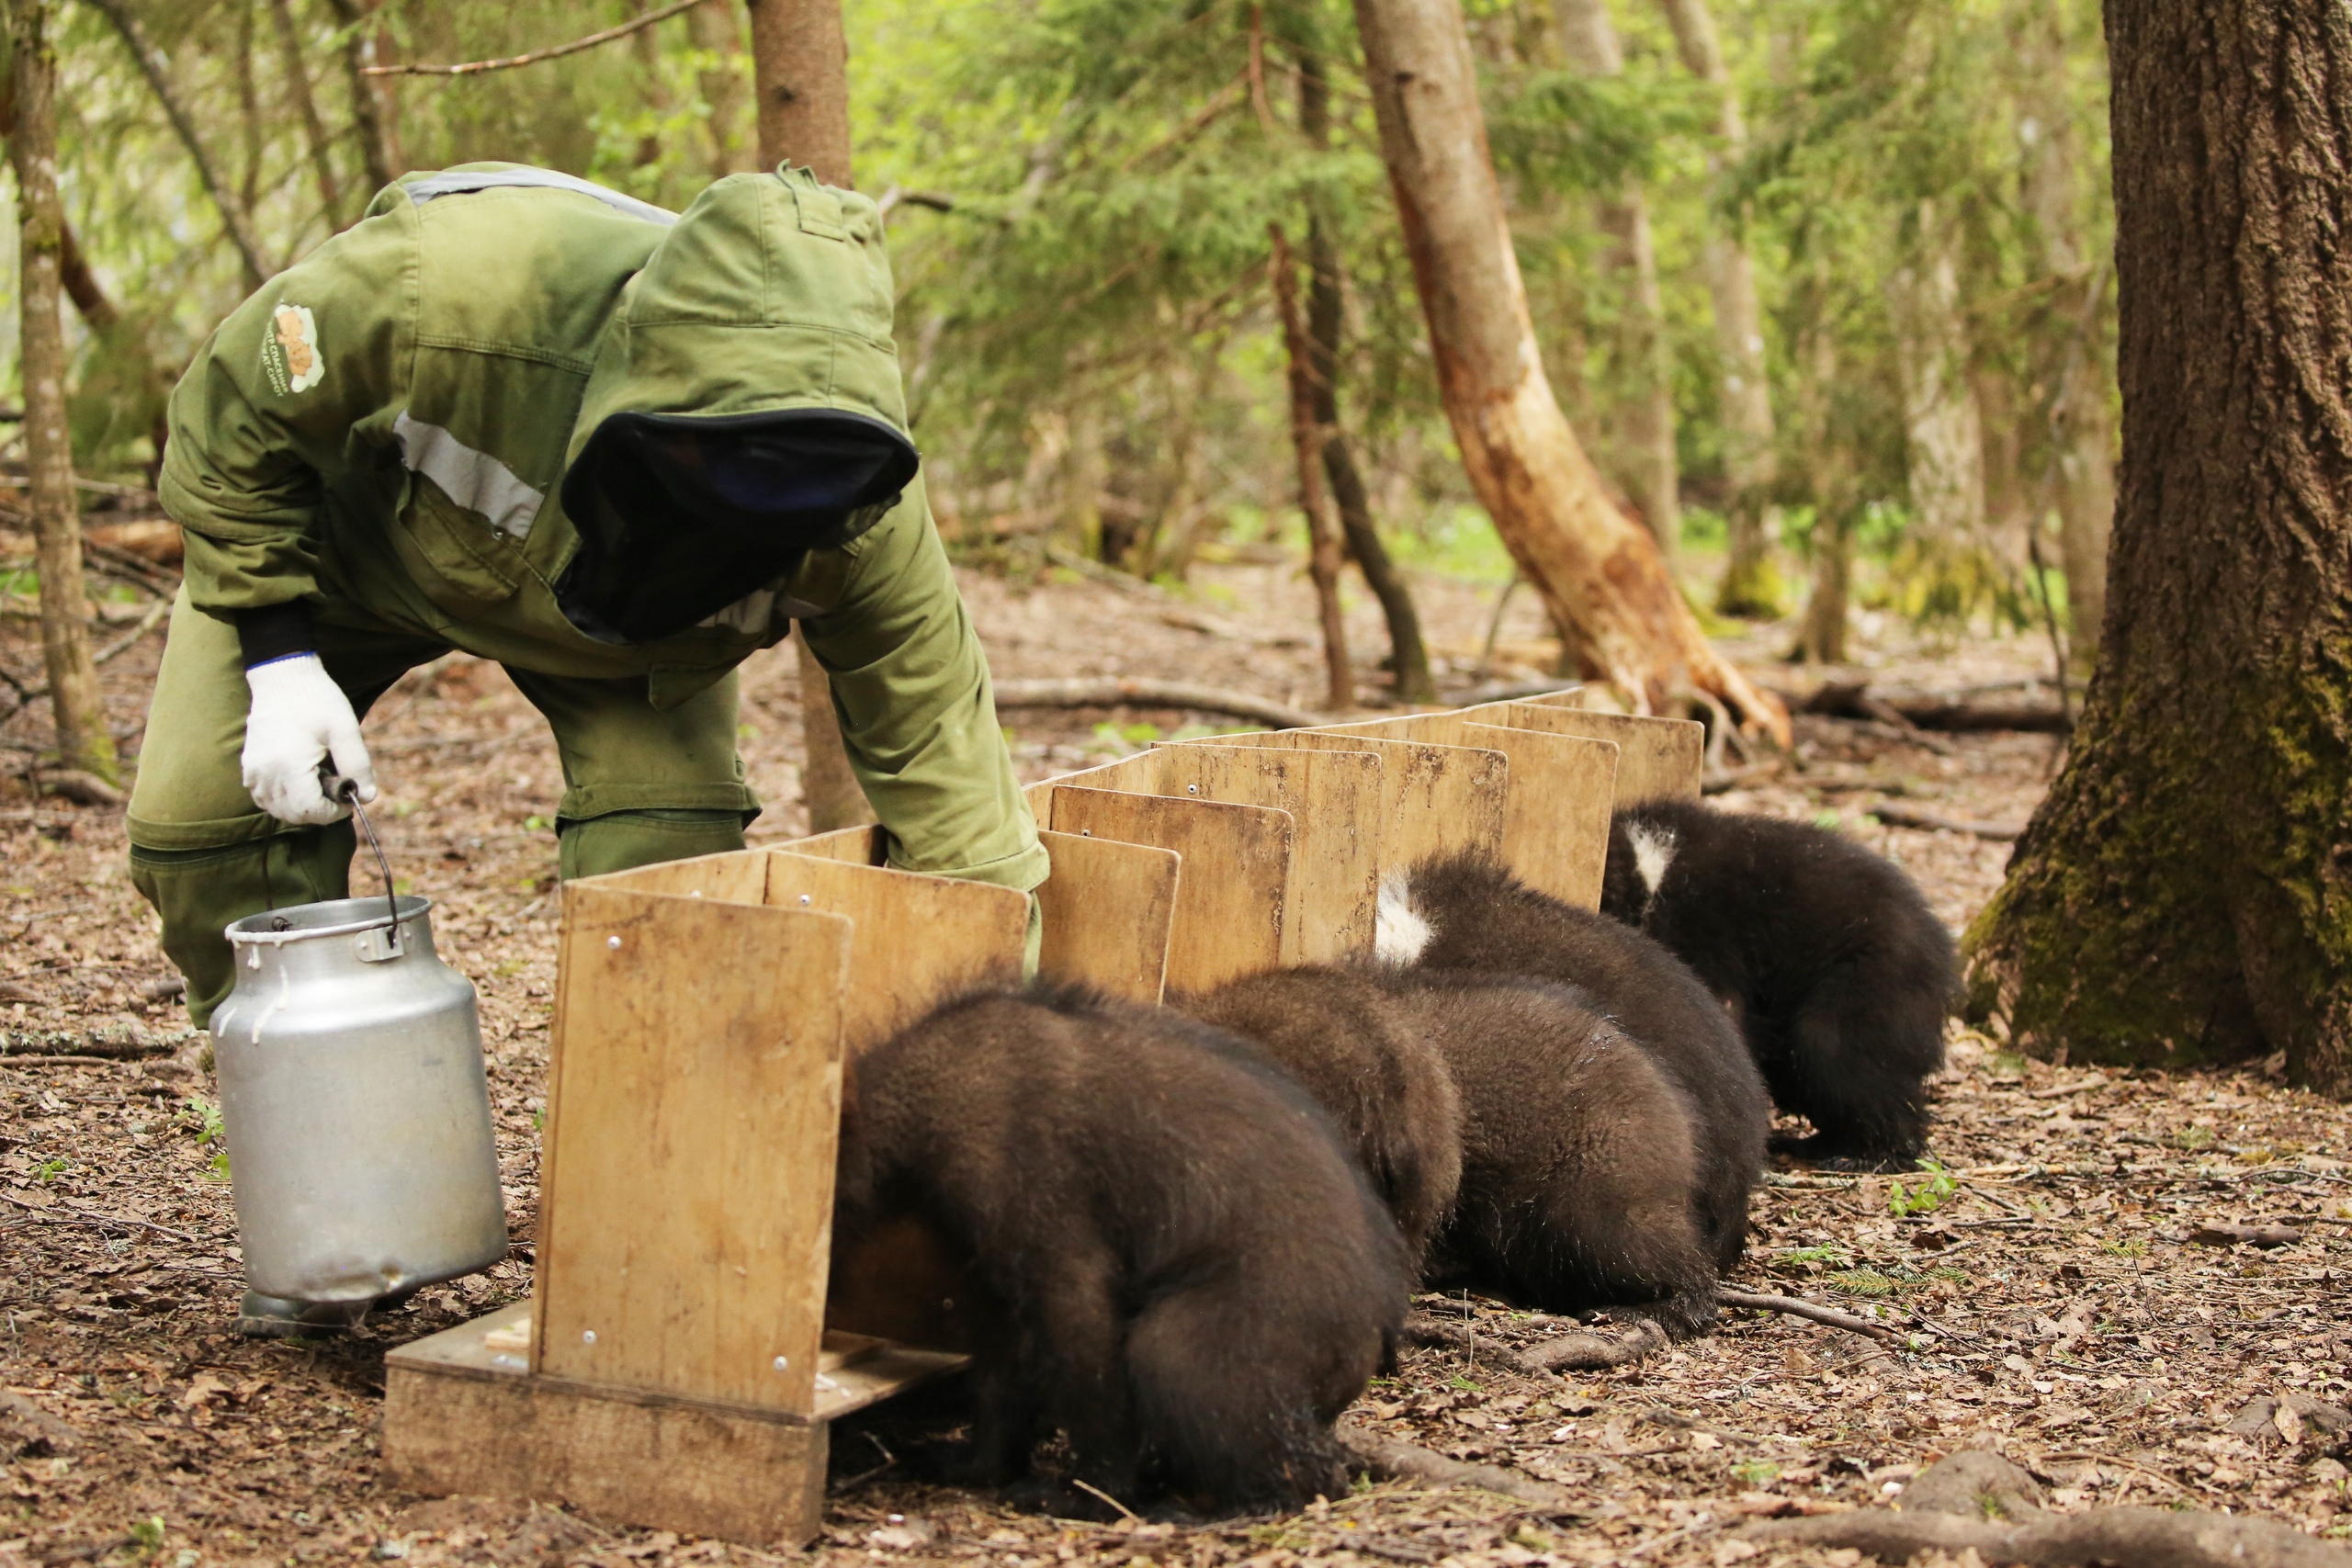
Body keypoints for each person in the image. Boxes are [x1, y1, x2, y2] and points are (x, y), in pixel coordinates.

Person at [126, 162, 1048, 1335]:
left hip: (629, 652)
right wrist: (275, 655)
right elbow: (230, 406)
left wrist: (1013, 1074)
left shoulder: (861, 516)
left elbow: (956, 791)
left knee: (671, 905)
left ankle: (662, 1242)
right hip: (346, 559)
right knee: (204, 833)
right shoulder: (444, 297)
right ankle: (329, 1221)